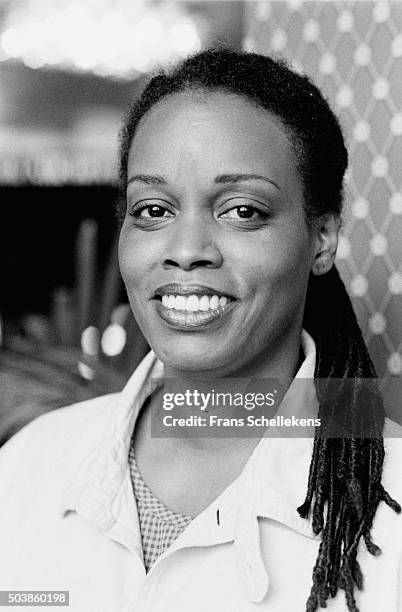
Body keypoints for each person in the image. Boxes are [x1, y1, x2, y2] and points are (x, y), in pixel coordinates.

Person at [0, 48, 401, 612]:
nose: (186, 251)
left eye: (241, 210)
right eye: (154, 210)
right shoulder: (27, 465)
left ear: (323, 237)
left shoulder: (394, 509)